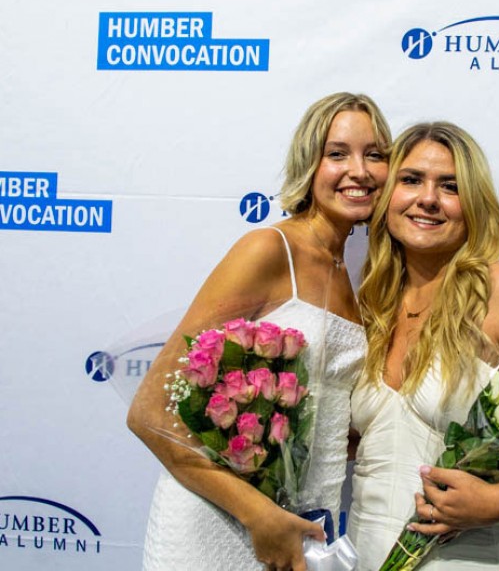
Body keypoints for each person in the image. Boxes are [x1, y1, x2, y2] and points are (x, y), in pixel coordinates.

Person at [127, 92, 391, 571]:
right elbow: (148, 413)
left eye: (375, 154)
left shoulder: (354, 276)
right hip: (222, 522)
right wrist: (256, 513)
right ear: (309, 165)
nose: (360, 170)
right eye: (337, 154)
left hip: (305, 528)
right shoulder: (269, 250)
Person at [348, 122, 499, 570]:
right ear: (385, 196)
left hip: (490, 556)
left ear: (473, 205)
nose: (428, 199)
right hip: (370, 551)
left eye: (450, 186)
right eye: (411, 180)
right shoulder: (372, 303)